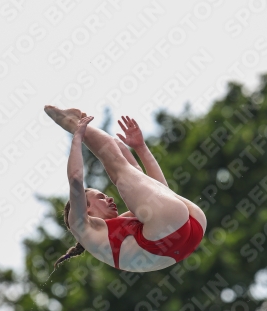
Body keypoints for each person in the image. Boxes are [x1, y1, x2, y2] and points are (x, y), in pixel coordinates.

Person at [44, 106, 207, 273]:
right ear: (85, 209)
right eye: (101, 197)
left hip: (187, 232)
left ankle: (82, 127)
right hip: (181, 229)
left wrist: (141, 148)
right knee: (118, 167)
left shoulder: (124, 229)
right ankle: (69, 123)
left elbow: (161, 191)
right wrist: (77, 136)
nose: (110, 199)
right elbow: (76, 180)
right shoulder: (82, 227)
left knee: (123, 160)